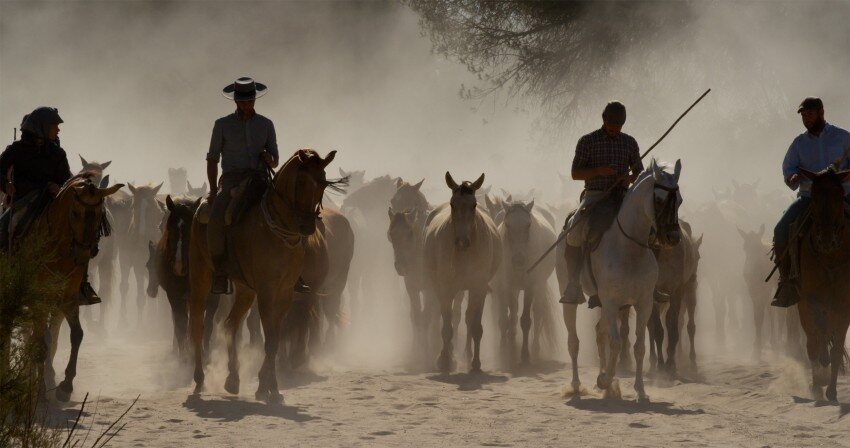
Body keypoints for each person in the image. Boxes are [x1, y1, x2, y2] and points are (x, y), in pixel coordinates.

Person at [206, 77, 310, 294]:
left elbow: (275, 159)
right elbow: (212, 159)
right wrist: (214, 191)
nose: (247, 104)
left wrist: (267, 158)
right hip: (232, 180)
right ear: (236, 101)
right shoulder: (222, 125)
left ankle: (295, 270)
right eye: (243, 101)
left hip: (260, 179)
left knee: (294, 212)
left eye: (250, 100)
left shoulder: (266, 124)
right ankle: (220, 271)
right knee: (215, 218)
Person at [0, 107, 101, 305]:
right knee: (4, 230)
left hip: (53, 202)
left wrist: (62, 186)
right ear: (42, 127)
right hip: (24, 201)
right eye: (55, 126)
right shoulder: (15, 150)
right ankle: (6, 280)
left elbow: (66, 179)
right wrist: (7, 185)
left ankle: (82, 285)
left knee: (82, 234)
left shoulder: (57, 153)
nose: (58, 130)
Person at [560, 102, 644, 308]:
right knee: (574, 232)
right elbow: (575, 174)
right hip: (595, 196)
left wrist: (630, 179)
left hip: (624, 196)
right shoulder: (588, 141)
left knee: (650, 230)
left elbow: (639, 172)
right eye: (611, 125)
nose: (615, 129)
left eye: (618, 126)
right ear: (603, 120)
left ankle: (651, 283)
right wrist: (598, 171)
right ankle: (573, 285)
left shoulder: (629, 142)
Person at [772, 97, 850, 307]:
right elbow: (789, 167)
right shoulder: (799, 144)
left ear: (821, 112)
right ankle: (787, 281)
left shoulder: (843, 138)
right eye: (803, 115)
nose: (806, 118)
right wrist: (792, 178)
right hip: (809, 198)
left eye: (810, 114)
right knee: (780, 230)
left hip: (842, 196)